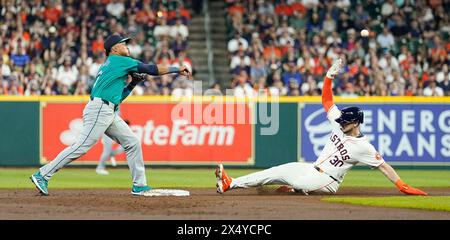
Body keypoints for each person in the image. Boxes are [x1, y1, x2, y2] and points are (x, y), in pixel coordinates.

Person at [215, 58, 427, 196]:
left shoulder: (364, 147)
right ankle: (229, 182)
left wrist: (403, 186)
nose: (341, 122)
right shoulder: (339, 123)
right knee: (275, 171)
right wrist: (328, 77)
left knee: (302, 184)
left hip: (328, 181)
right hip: (312, 168)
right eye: (341, 120)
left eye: (345, 121)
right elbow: (327, 101)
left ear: (355, 124)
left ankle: (294, 188)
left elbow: (384, 167)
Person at [30, 34, 191, 196]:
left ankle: (139, 185)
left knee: (132, 142)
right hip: (100, 109)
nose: (127, 45)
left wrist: (133, 83)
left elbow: (118, 98)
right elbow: (151, 69)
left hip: (108, 109)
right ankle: (43, 174)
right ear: (114, 49)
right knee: (81, 146)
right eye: (123, 43)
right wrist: (176, 69)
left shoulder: (110, 64)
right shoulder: (119, 60)